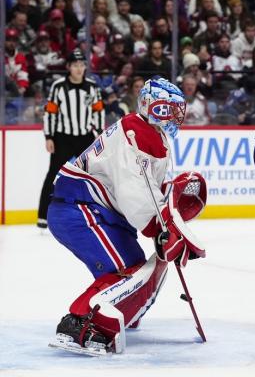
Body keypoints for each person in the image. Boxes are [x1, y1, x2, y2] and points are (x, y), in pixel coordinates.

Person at [47, 78, 207, 356]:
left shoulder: (146, 131)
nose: (175, 115)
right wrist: (161, 230)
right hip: (80, 210)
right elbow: (135, 193)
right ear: (153, 107)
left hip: (97, 211)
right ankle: (79, 322)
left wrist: (166, 221)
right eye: (168, 108)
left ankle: (120, 307)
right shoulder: (139, 133)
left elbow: (144, 190)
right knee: (127, 273)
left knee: (138, 267)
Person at [37, 50, 104, 229]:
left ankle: (96, 212)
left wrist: (98, 133)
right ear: (68, 67)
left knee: (92, 175)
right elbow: (50, 113)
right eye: (75, 65)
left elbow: (98, 111)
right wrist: (49, 136)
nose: (79, 69)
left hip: (85, 137)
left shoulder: (92, 87)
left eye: (82, 65)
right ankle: (43, 216)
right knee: (53, 175)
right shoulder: (58, 86)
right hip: (63, 138)